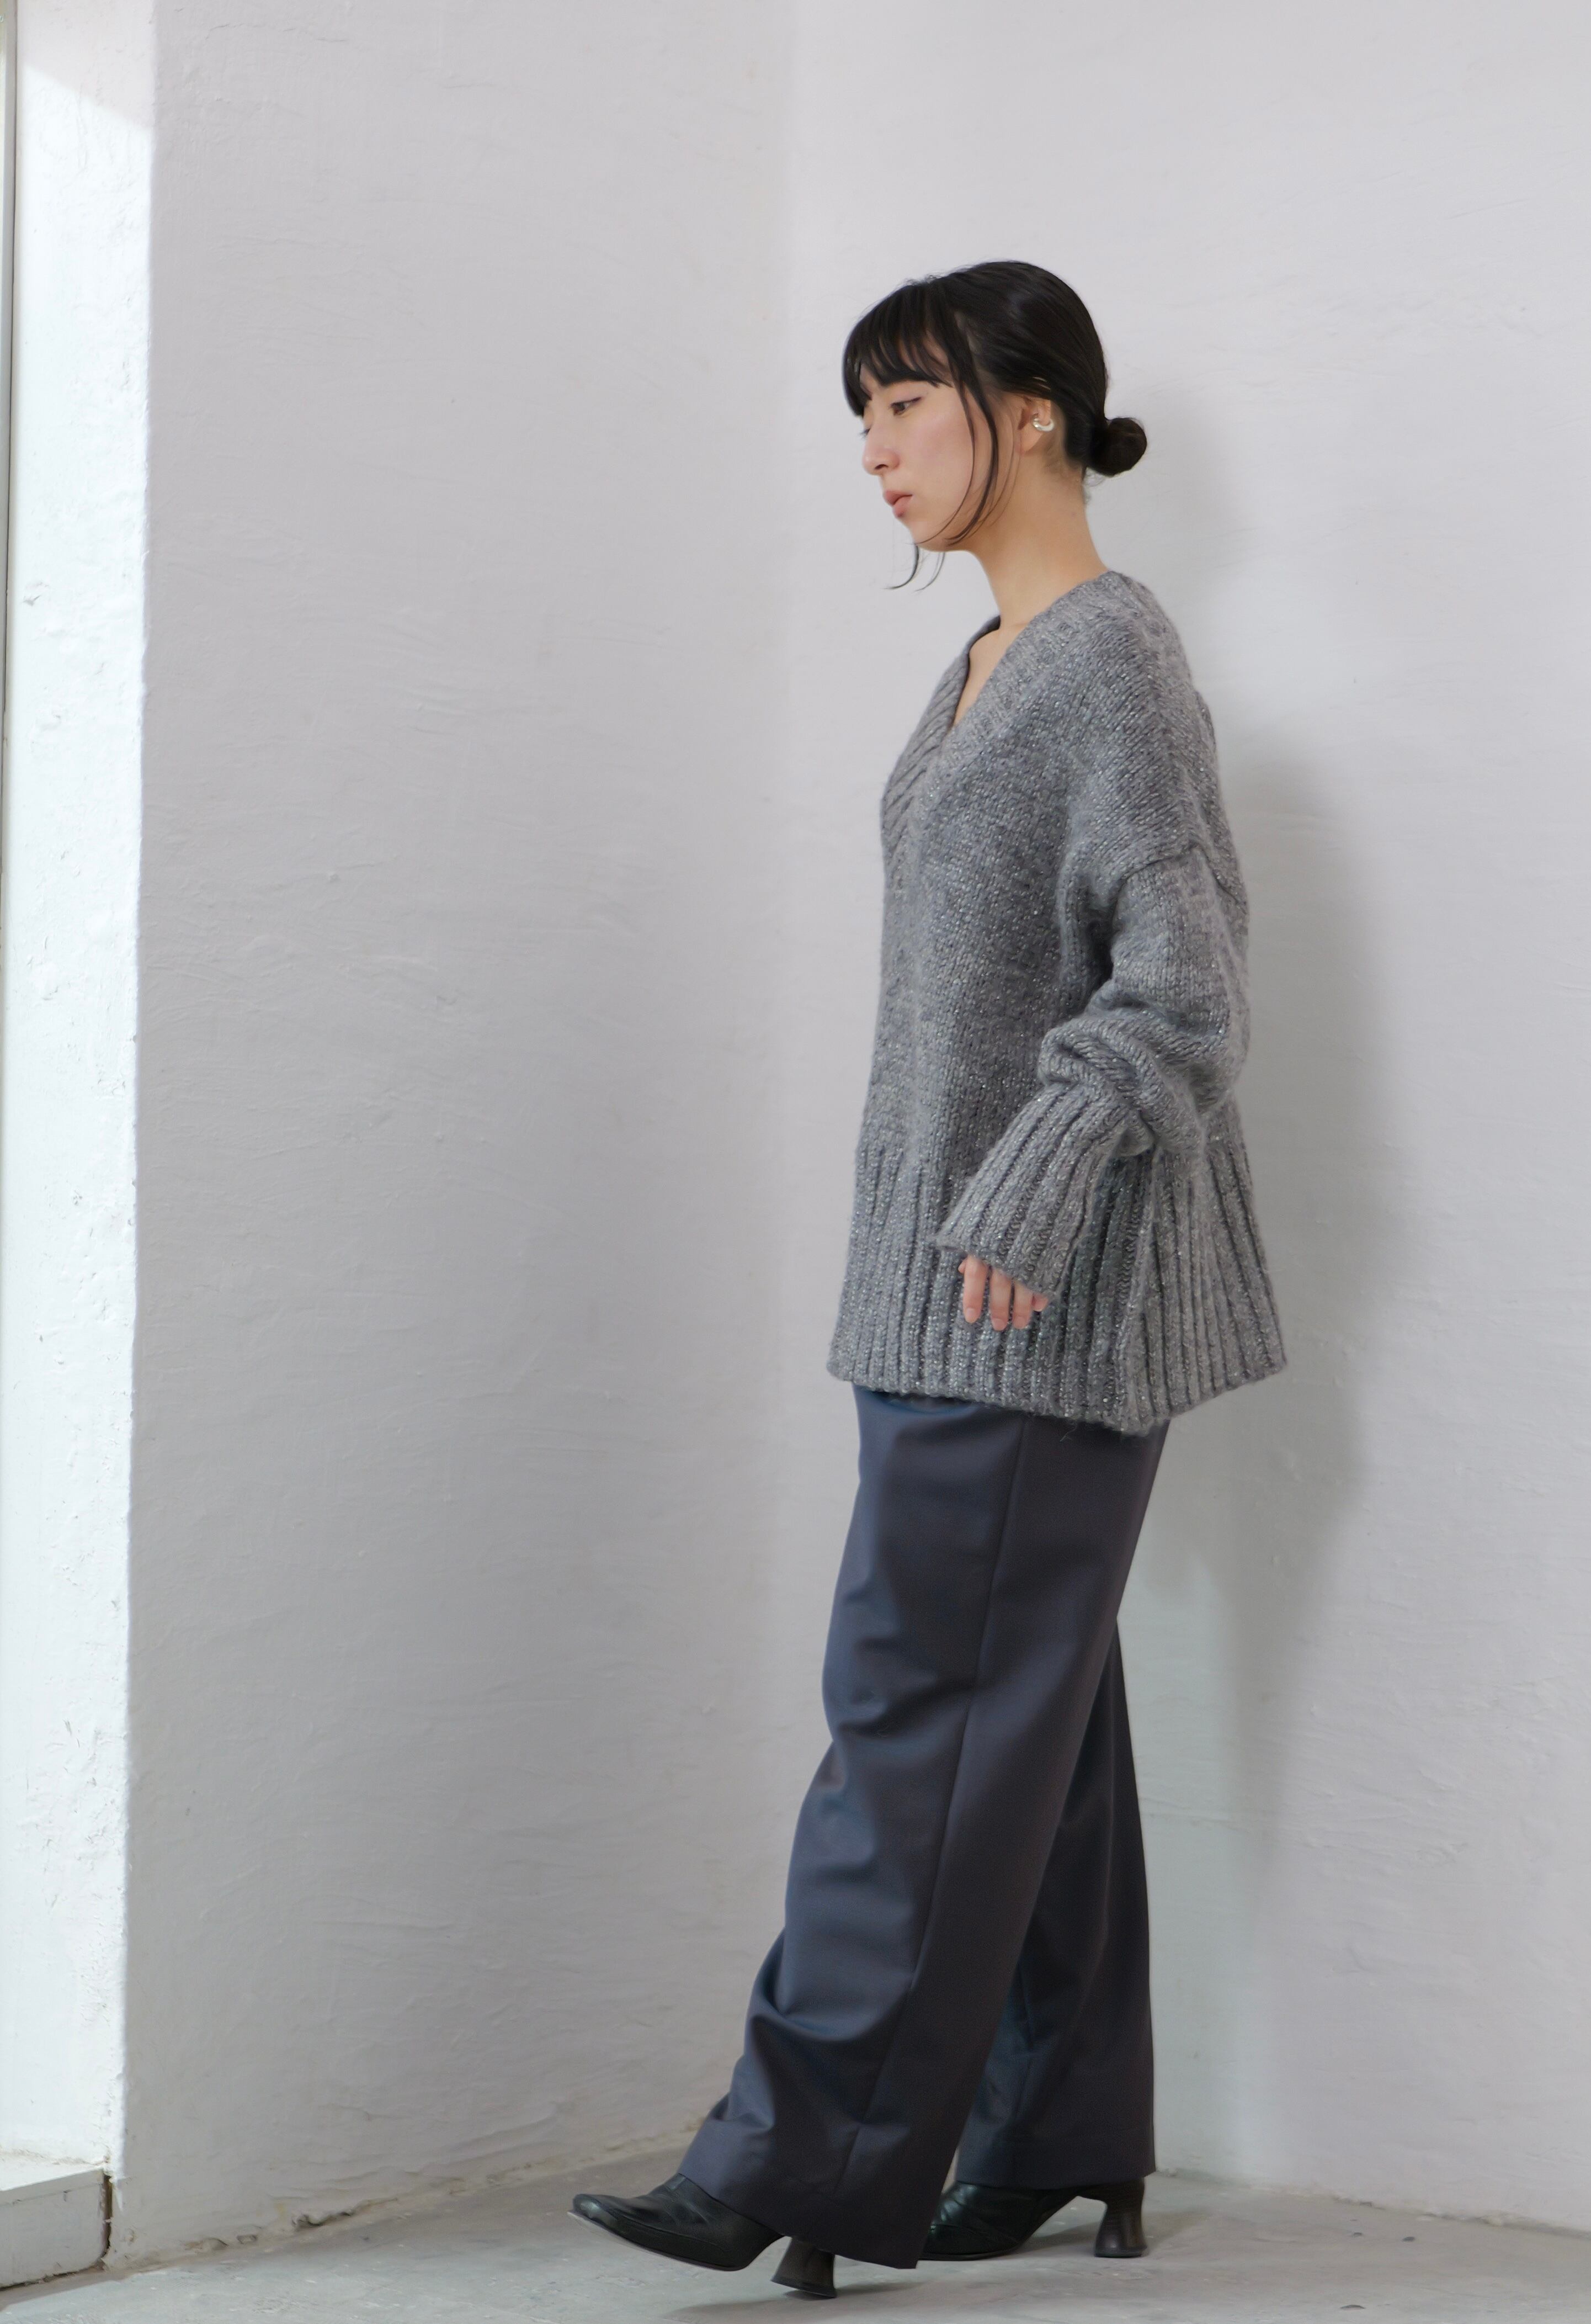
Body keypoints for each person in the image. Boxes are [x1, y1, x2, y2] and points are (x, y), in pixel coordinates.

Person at [573, 261, 1284, 2301]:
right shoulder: (989, 656)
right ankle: (1065, 2128)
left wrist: (1023, 1203)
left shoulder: (1111, 659)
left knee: (919, 1710)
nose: (874, 449)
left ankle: (794, 2157)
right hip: (946, 1281)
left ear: (1030, 407)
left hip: (1027, 1292)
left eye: (907, 402)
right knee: (1028, 1722)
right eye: (862, 414)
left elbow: (1187, 990)